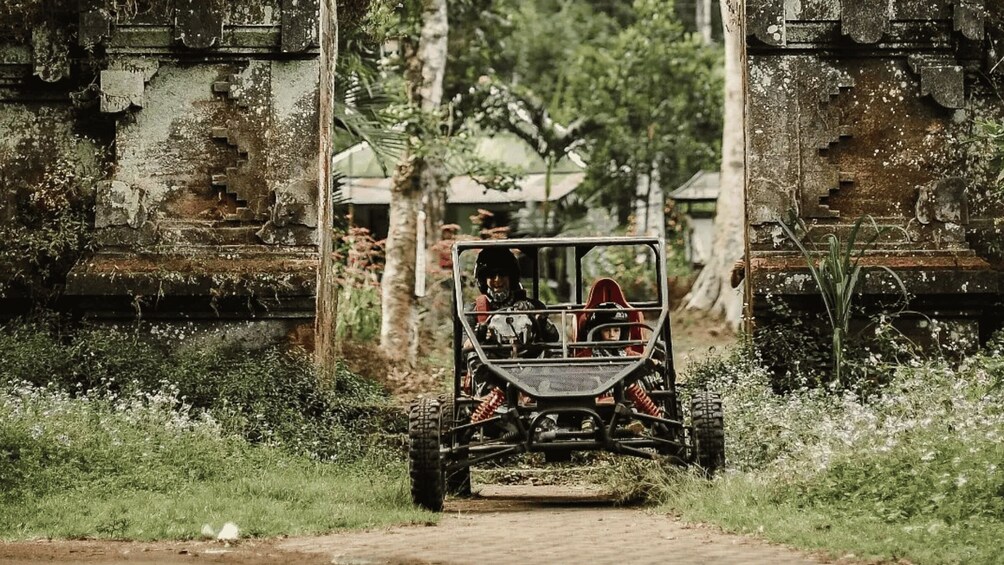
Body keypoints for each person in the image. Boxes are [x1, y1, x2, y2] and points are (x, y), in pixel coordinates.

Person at [463, 247, 559, 403]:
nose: (497, 280)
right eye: (491, 275)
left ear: (511, 277)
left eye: (502, 274)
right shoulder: (474, 310)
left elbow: (554, 338)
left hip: (530, 366)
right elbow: (465, 347)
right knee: (474, 355)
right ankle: (490, 403)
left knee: (556, 355)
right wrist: (480, 333)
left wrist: (538, 318)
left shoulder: (533, 305)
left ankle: (547, 406)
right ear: (483, 279)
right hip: (492, 368)